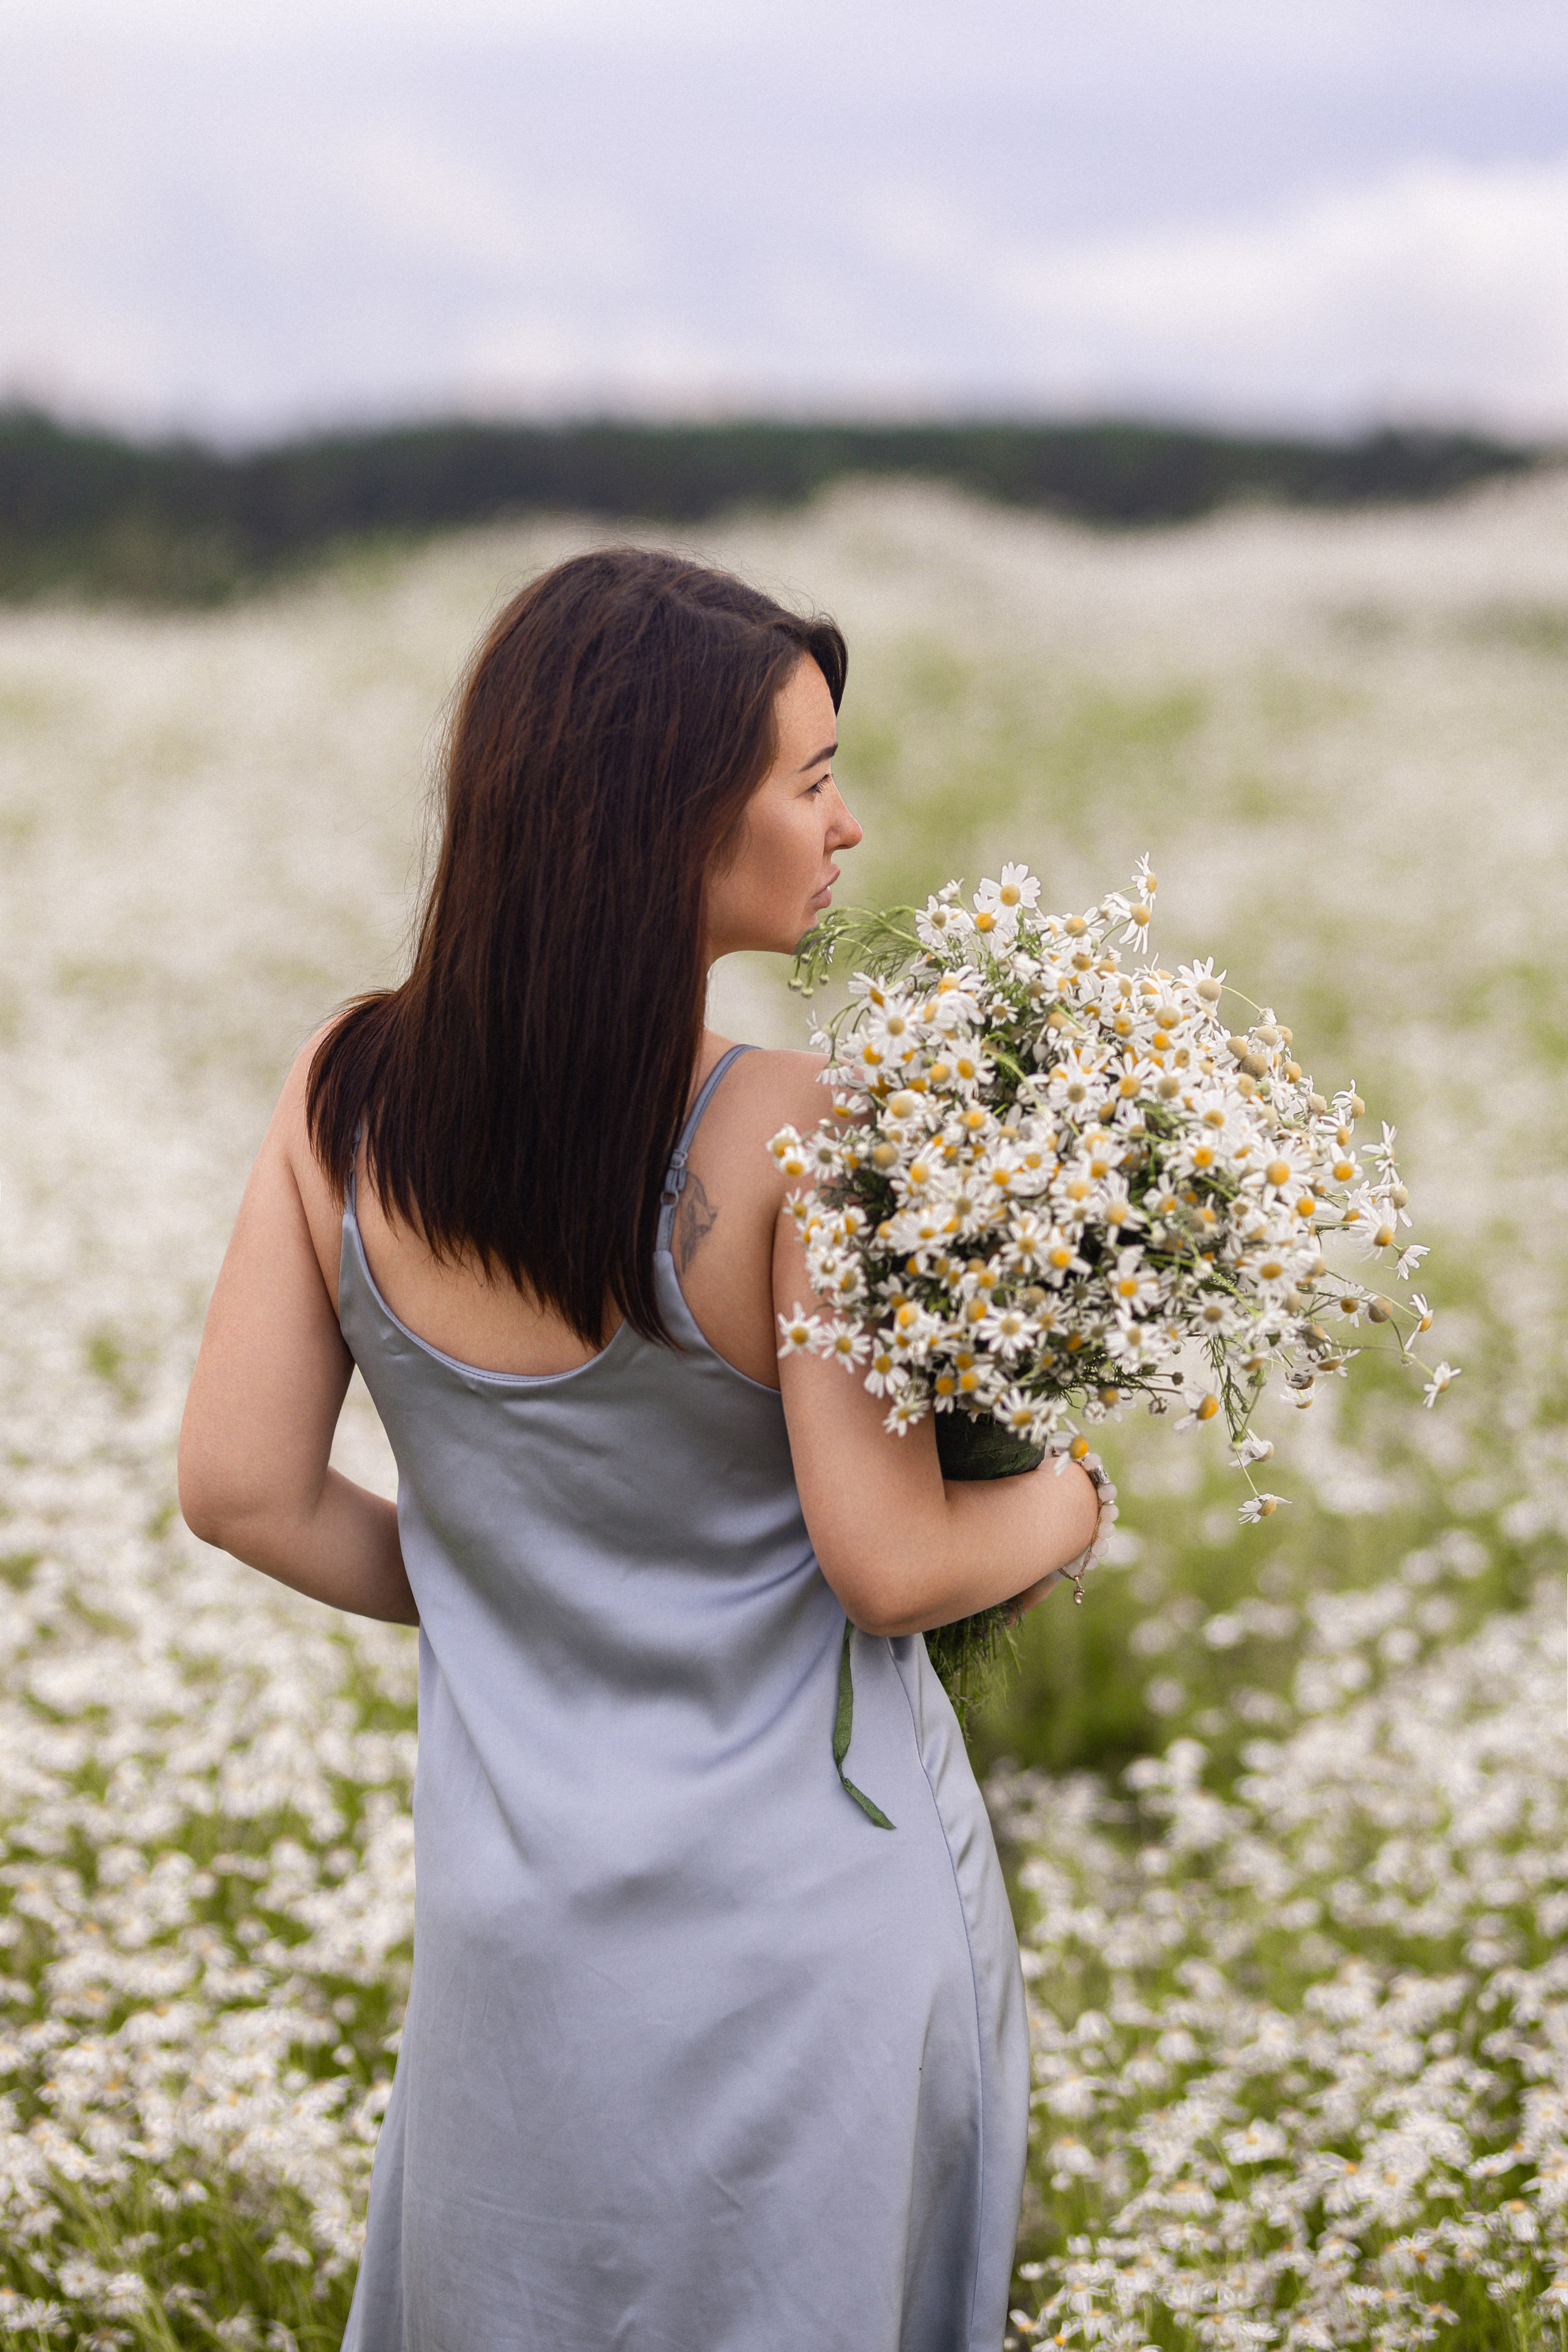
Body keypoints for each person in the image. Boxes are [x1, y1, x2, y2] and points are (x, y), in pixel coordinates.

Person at [178, 548, 1102, 2352]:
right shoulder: (797, 1134)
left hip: (521, 1936)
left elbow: (241, 1492)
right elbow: (891, 1561)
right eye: (812, 780)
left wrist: (505, 1584)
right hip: (804, 1934)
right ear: (662, 821)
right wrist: (1068, 1500)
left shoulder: (340, 1093)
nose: (847, 825)